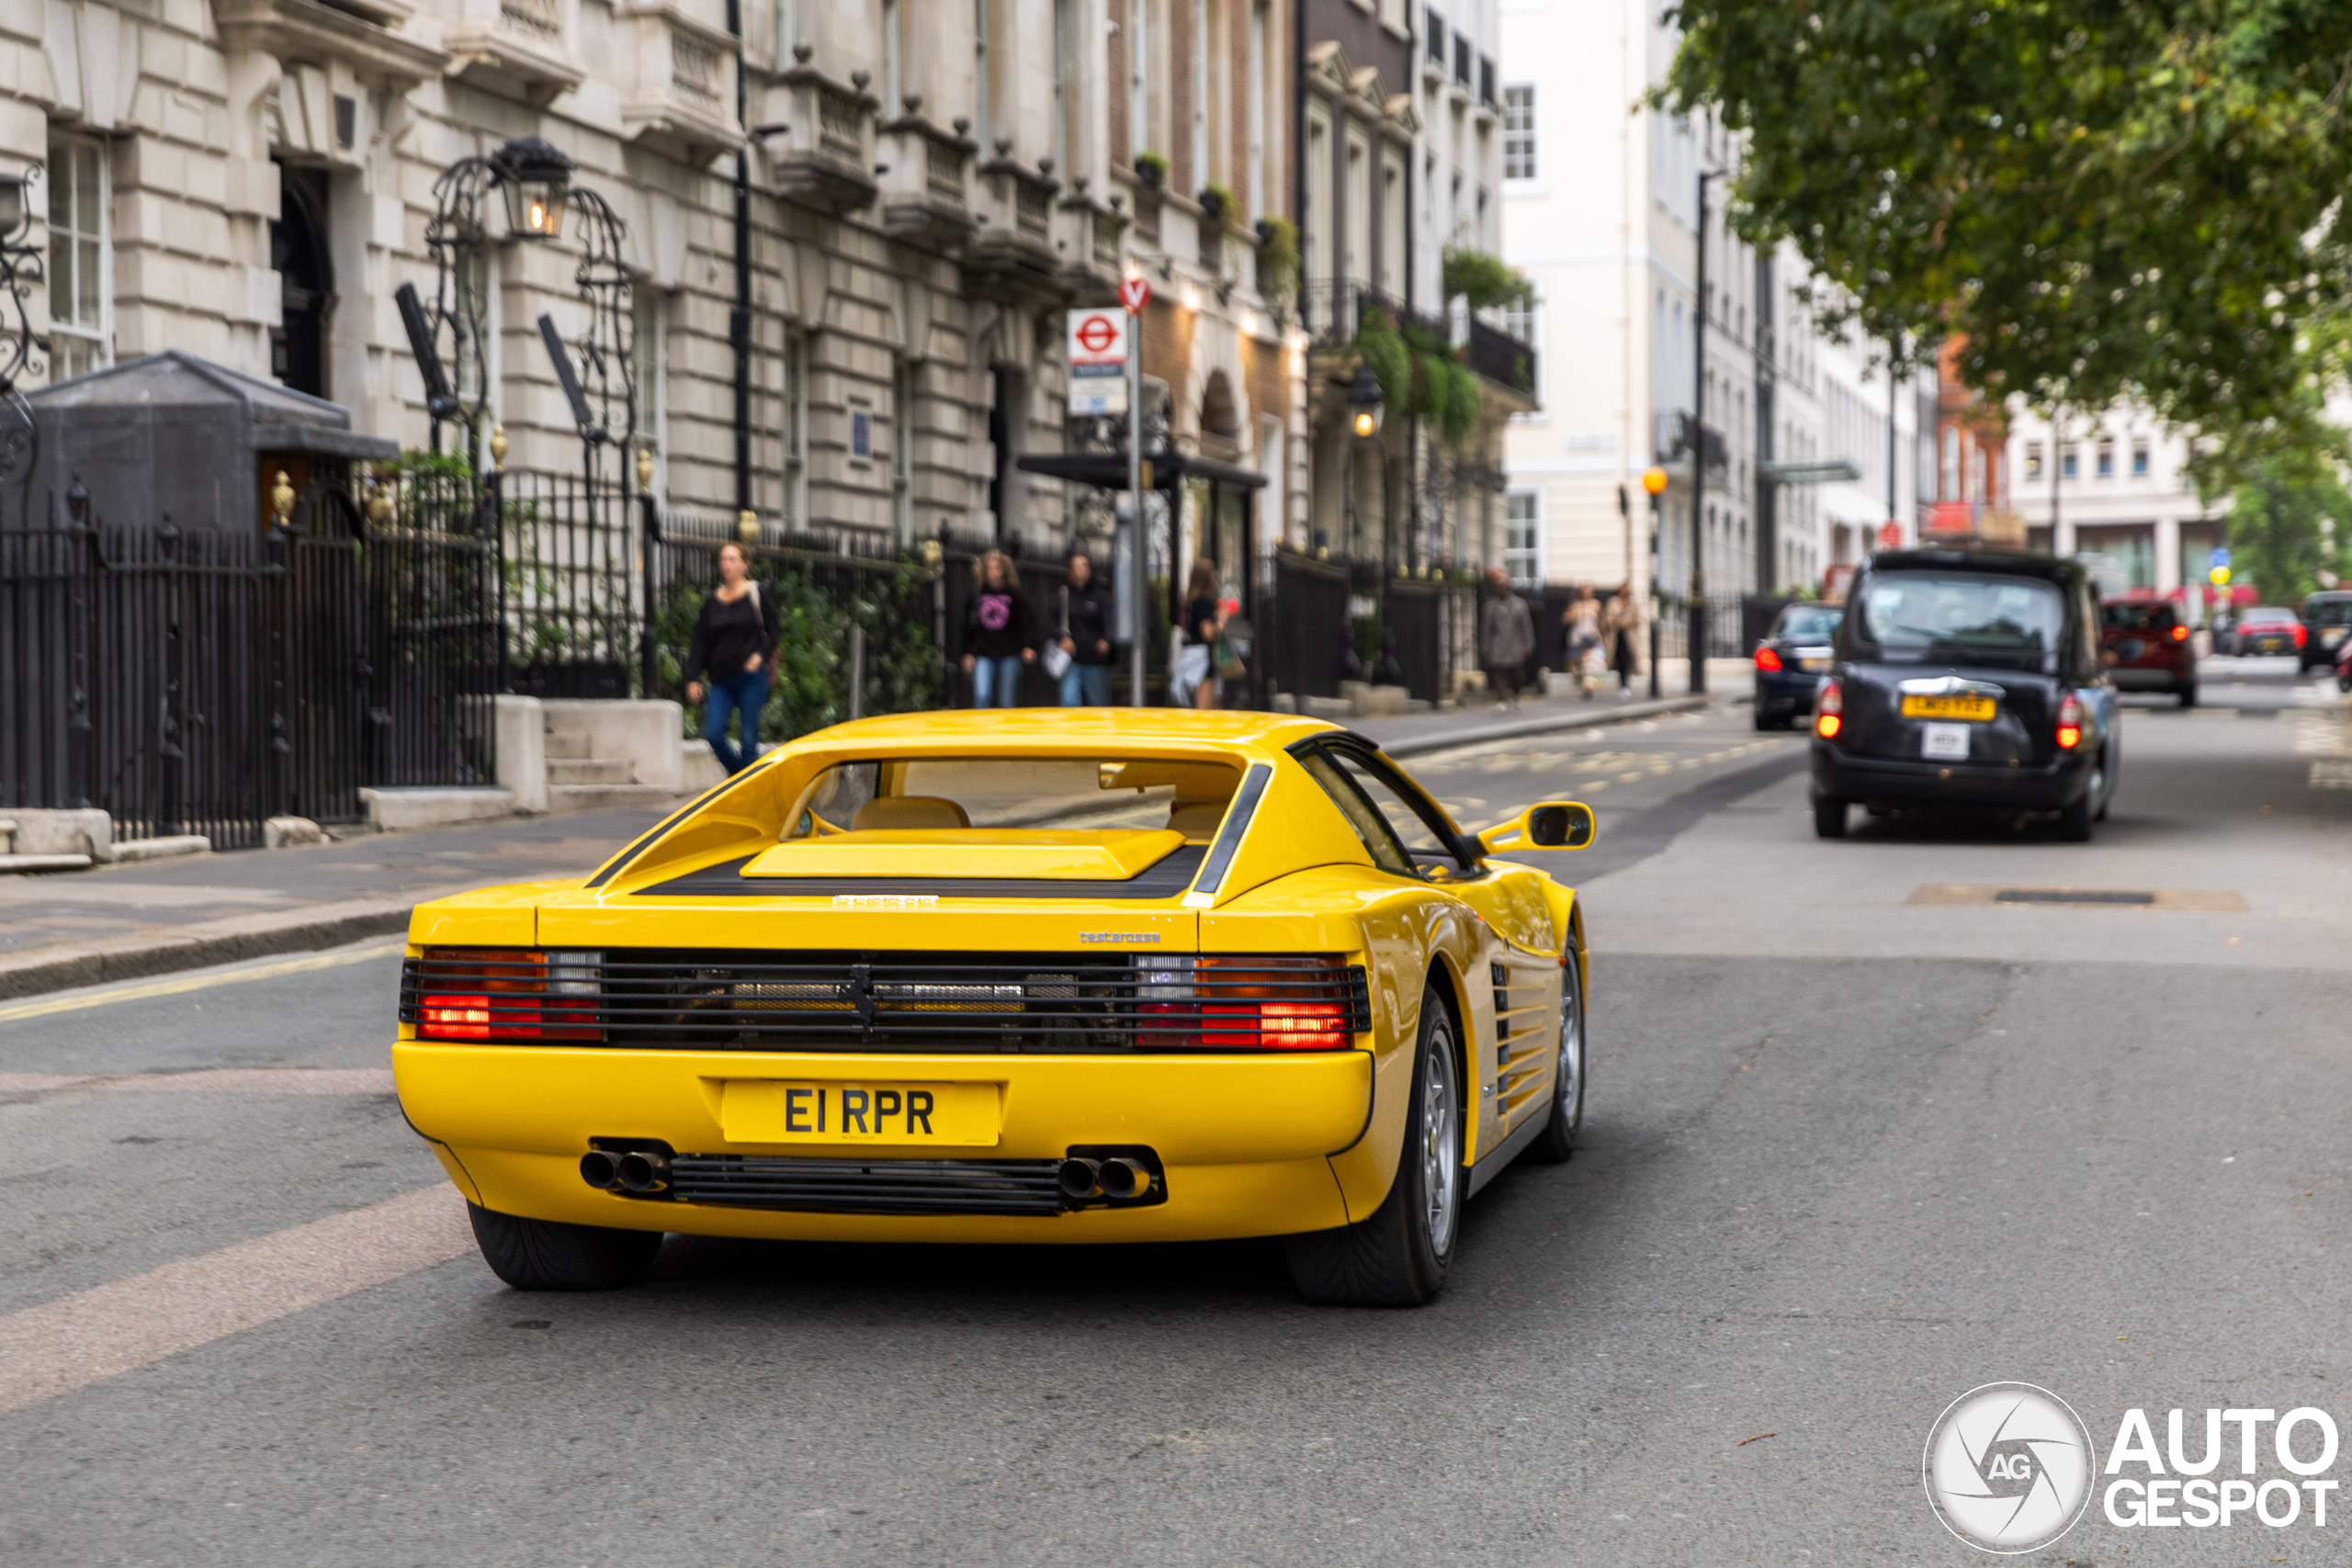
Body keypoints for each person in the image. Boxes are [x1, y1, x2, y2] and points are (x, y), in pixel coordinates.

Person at [683, 540, 782, 774]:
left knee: (748, 739)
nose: (725, 564)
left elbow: (775, 630)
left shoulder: (757, 593)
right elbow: (700, 642)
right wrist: (693, 678)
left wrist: (760, 654)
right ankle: (741, 778)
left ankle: (744, 796)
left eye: (732, 559)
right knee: (714, 734)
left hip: (750, 677)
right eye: (723, 559)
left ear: (745, 565)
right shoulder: (712, 601)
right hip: (721, 679)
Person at [961, 549, 1035, 706]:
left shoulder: (1014, 595)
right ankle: (982, 729)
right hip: (983, 653)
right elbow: (967, 626)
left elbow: (1027, 622)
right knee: (982, 695)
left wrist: (1029, 645)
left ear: (1004, 570)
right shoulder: (976, 595)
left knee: (1006, 700)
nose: (993, 572)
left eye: (997, 568)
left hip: (1010, 653)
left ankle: (1005, 731)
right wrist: (967, 652)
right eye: (989, 568)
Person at [1057, 550, 1116, 706]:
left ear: (1090, 569)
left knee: (1098, 705)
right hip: (1071, 659)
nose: (1079, 570)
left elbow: (1109, 621)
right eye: (1075, 566)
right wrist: (1061, 638)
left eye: (1084, 565)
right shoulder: (1064, 594)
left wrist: (1106, 640)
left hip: (1094, 659)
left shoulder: (1099, 595)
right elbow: (1052, 621)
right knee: (1068, 702)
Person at [1478, 570, 1535, 710]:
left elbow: (1526, 626)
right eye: (1498, 586)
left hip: (1515, 644)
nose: (1501, 588)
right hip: (1497, 645)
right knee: (1499, 673)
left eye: (1504, 585)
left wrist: (1528, 644)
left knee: (1516, 674)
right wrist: (1485, 649)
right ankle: (1502, 698)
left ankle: (1516, 694)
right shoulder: (1490, 607)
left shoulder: (1520, 605)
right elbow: (1486, 630)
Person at [1172, 559, 1225, 709]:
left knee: (1212, 706)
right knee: (1204, 710)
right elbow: (1207, 633)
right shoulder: (1204, 603)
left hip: (1191, 655)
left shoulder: (1190, 602)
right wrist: (1220, 623)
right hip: (1203, 659)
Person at [1565, 583, 1604, 699]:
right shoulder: (1575, 605)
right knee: (1579, 663)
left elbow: (1600, 622)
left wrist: (1602, 637)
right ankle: (1583, 685)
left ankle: (1588, 685)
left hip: (1592, 637)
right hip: (1578, 637)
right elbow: (1567, 620)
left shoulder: (1597, 604)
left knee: (1591, 661)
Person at [1606, 585, 1643, 697]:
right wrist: (1616, 621)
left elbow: (1639, 619)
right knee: (1618, 661)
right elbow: (1608, 618)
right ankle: (1621, 685)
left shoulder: (1633, 603)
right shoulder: (1613, 602)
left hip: (1629, 637)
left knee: (1627, 660)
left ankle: (1625, 685)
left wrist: (1629, 622)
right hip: (1616, 636)